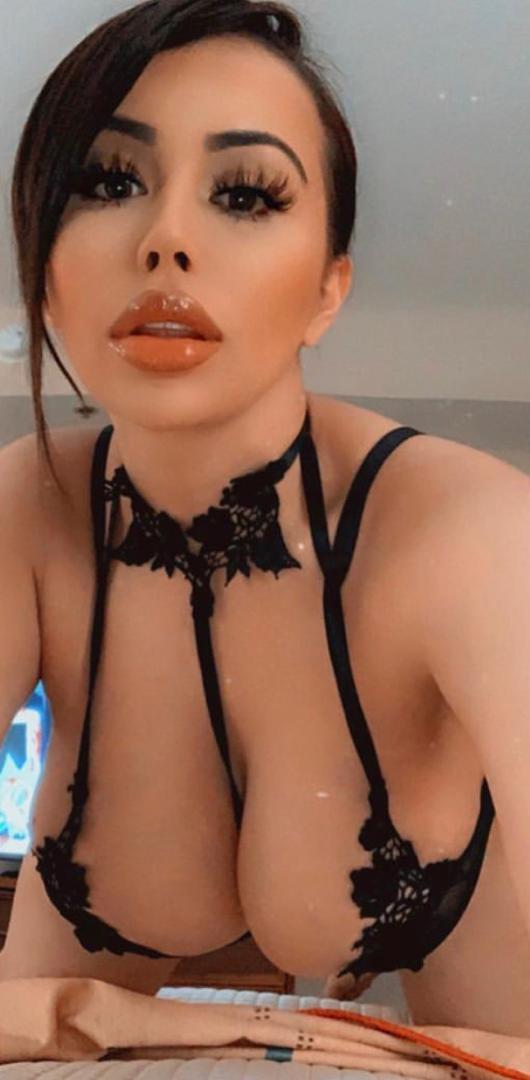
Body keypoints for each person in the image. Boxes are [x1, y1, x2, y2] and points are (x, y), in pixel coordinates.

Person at [1, 0, 529, 1036]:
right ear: (45, 280)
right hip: (88, 922)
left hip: (455, 926)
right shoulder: (26, 511)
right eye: (108, 182)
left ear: (328, 291)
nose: (166, 240)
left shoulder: (469, 535)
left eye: (244, 194)